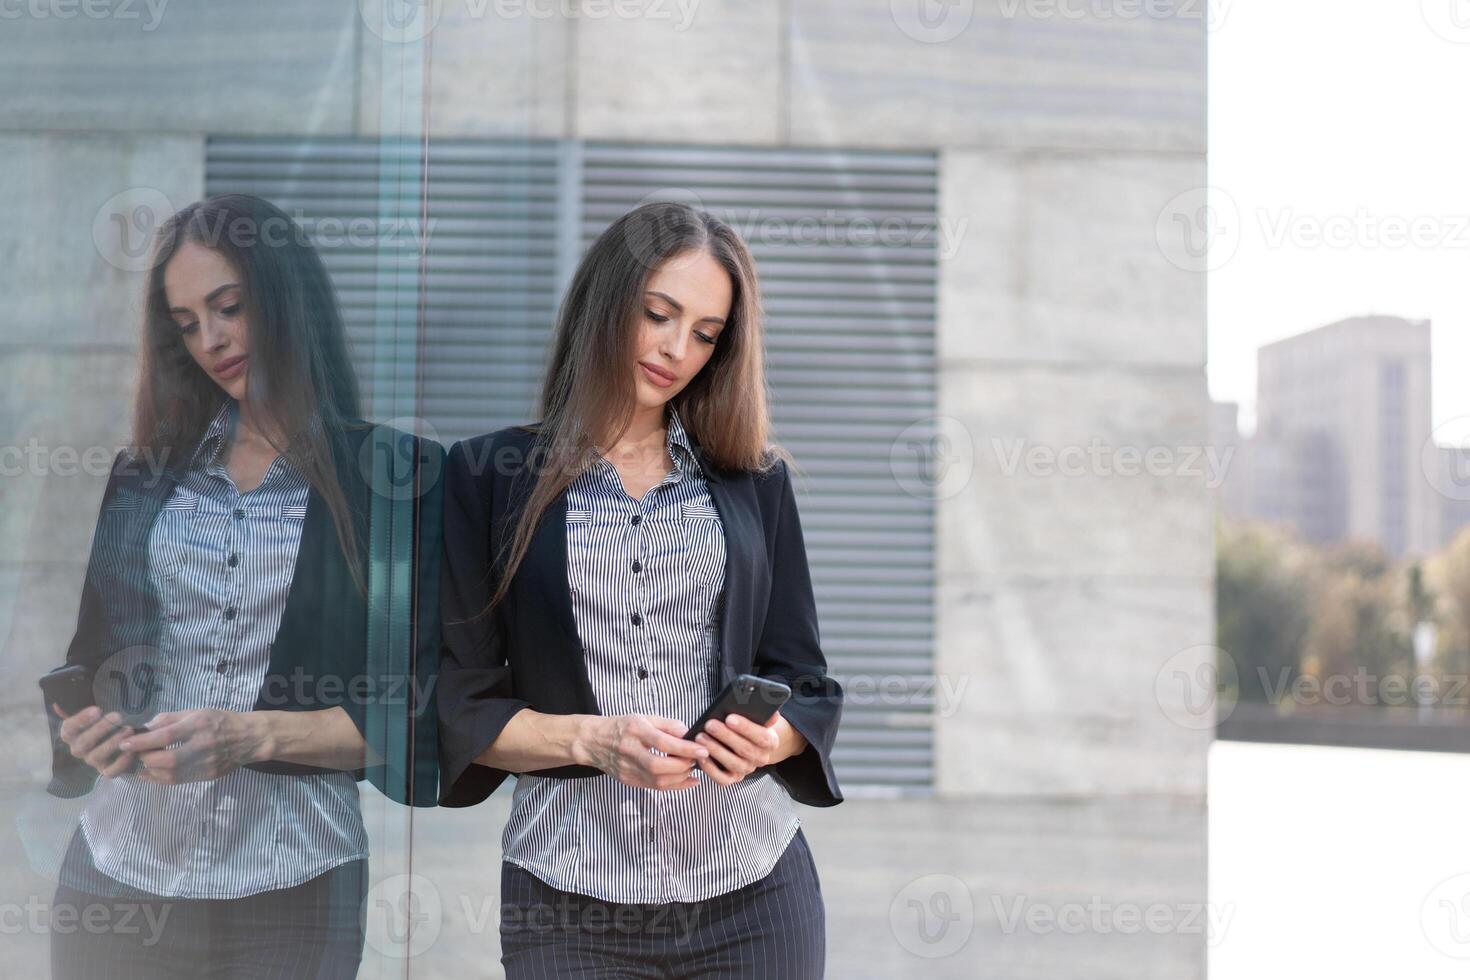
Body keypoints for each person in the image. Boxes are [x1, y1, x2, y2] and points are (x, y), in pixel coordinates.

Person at [438, 201, 844, 978]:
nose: (676, 349)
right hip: (566, 902)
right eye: (658, 314)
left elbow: (804, 679)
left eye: (705, 333)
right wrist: (592, 741)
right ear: (606, 303)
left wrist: (773, 739)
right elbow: (458, 704)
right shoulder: (486, 477)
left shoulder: (755, 481)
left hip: (754, 890)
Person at [42, 193, 441, 978]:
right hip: (120, 876)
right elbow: (93, 661)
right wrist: (89, 732)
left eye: (229, 307)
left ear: (284, 299)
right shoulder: (143, 474)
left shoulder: (395, 479)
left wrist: (254, 735)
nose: (212, 340)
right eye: (186, 324)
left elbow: (419, 712)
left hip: (295, 884)